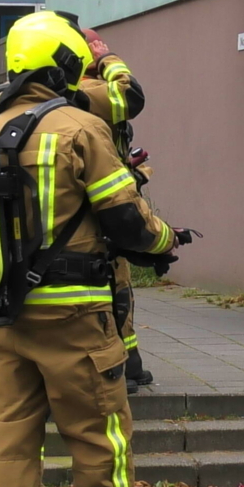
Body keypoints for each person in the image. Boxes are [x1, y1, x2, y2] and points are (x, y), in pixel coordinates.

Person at [0, 10, 176, 487]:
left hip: (1, 319)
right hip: (76, 322)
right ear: (62, 67)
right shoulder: (80, 128)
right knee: (101, 447)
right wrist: (168, 241)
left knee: (7, 449)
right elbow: (128, 221)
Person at [78, 28, 153, 395]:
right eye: (94, 44)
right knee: (113, 288)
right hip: (101, 206)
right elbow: (131, 94)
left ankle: (130, 363)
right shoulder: (88, 89)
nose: (101, 47)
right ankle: (118, 368)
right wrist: (108, 59)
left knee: (119, 286)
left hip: (104, 196)